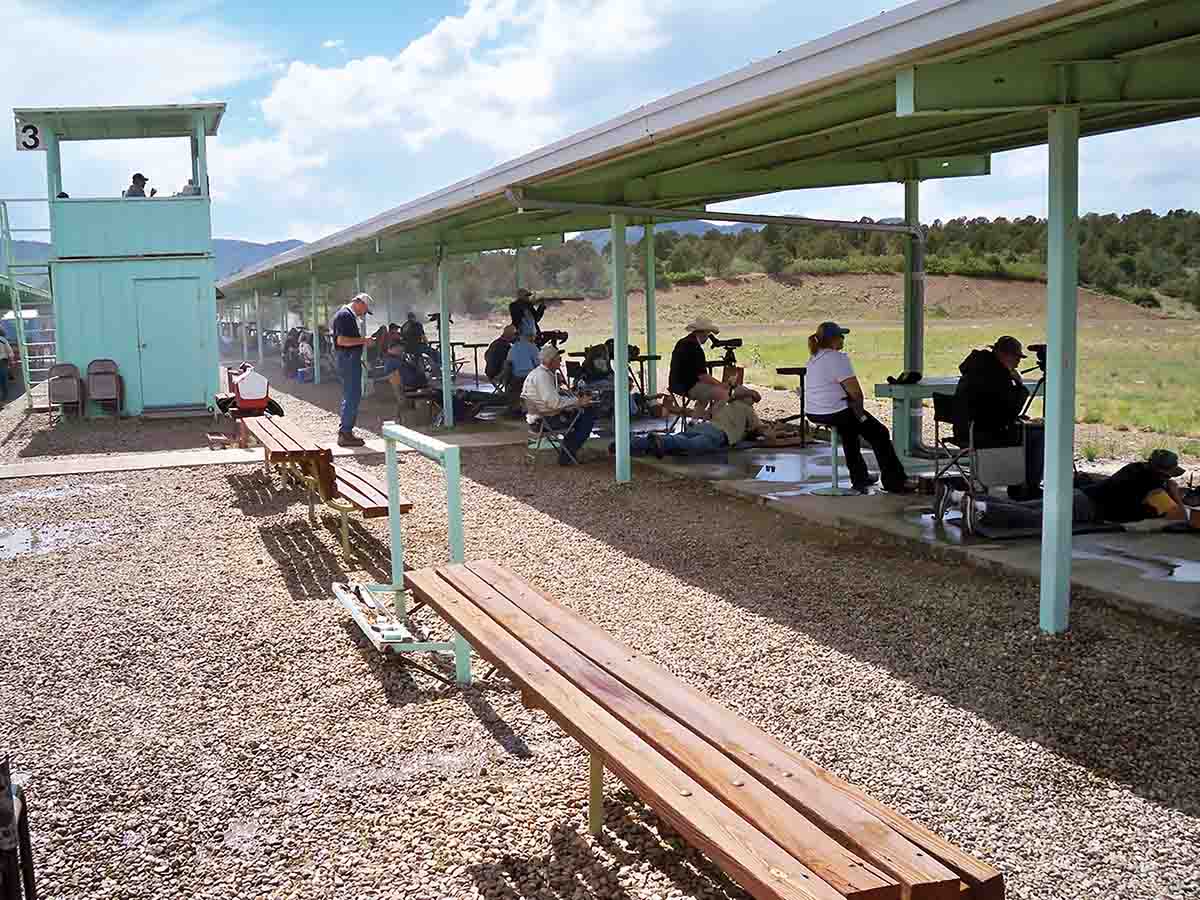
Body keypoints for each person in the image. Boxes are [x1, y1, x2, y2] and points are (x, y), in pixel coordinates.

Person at [950, 449, 1196, 534]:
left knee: (1028, 507)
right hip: (1088, 507)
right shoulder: (1153, 487)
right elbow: (1179, 517)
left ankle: (960, 497)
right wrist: (1174, 493)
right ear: (1164, 473)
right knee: (1035, 518)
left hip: (1083, 494)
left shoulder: (1135, 468)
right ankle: (982, 508)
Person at [803, 321, 910, 493]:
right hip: (835, 412)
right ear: (834, 339)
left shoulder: (814, 359)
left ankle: (860, 478)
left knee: (850, 433)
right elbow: (856, 393)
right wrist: (861, 415)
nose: (843, 339)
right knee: (880, 433)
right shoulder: (838, 358)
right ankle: (895, 481)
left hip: (815, 412)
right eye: (841, 336)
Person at [955, 335, 1044, 498]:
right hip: (985, 433)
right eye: (1017, 358)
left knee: (1027, 431)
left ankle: (1019, 484)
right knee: (1038, 434)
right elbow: (1009, 411)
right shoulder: (997, 375)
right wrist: (1019, 385)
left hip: (966, 429)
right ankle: (1027, 488)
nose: (1018, 363)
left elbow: (995, 407)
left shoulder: (977, 367)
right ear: (1006, 356)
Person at [622, 392, 769, 458]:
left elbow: (707, 414)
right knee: (689, 445)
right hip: (718, 434)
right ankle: (661, 440)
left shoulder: (724, 405)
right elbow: (761, 430)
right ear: (747, 399)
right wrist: (776, 432)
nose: (753, 403)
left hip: (704, 426)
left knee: (682, 437)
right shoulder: (747, 409)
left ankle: (632, 444)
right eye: (753, 399)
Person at [521, 344, 596, 465]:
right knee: (587, 415)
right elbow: (554, 403)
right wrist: (578, 402)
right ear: (550, 361)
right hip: (545, 421)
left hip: (539, 417)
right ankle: (567, 455)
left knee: (578, 413)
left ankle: (568, 452)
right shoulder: (543, 376)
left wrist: (570, 398)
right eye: (558, 358)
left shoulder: (539, 373)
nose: (560, 360)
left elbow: (550, 399)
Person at [668, 317, 755, 414]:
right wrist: (721, 385)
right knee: (723, 394)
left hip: (676, 383)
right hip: (686, 386)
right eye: (708, 334)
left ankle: (694, 421)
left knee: (706, 395)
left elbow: (695, 371)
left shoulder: (683, 342)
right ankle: (711, 419)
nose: (708, 337)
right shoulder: (695, 348)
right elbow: (703, 376)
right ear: (703, 333)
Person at [330, 292, 375, 446]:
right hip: (347, 360)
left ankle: (346, 431)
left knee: (351, 394)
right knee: (352, 395)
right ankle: (345, 433)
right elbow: (342, 340)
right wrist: (364, 341)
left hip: (348, 359)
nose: (364, 314)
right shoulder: (345, 316)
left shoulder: (346, 315)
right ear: (359, 303)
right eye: (364, 310)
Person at [0, 332, 13, 403]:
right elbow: (10, 352)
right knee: (3, 380)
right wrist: (11, 361)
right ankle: (4, 399)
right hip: (2, 362)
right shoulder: (3, 340)